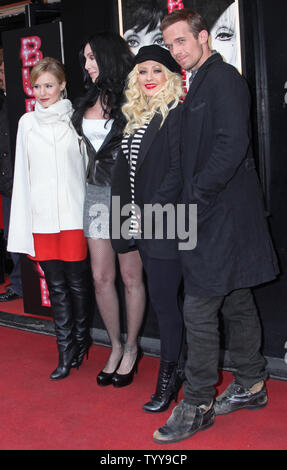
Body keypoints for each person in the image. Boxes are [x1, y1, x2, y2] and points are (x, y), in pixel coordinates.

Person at [151, 8, 279, 443]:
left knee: (199, 307)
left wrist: (194, 198)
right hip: (211, 215)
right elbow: (187, 157)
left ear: (204, 37)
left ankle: (198, 401)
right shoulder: (197, 85)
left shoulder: (224, 81)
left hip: (219, 215)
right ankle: (253, 383)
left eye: (181, 41)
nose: (176, 51)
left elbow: (230, 147)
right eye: (170, 44)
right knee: (237, 298)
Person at [111, 45, 185, 411]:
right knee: (162, 301)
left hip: (169, 221)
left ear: (170, 75)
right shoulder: (134, 115)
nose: (150, 78)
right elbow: (123, 177)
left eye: (157, 70)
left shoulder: (176, 111)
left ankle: (169, 380)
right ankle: (176, 369)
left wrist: (148, 213)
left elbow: (178, 172)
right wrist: (123, 222)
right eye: (143, 71)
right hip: (140, 221)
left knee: (167, 304)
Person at [7, 57, 91, 381]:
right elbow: (22, 177)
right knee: (56, 286)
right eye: (37, 85)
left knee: (78, 285)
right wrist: (24, 224)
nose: (42, 92)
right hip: (42, 218)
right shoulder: (26, 124)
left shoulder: (76, 119)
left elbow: (87, 170)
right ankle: (65, 351)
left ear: (62, 85)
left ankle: (82, 342)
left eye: (49, 85)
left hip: (73, 215)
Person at [72, 33, 146, 388]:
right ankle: (114, 346)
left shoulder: (135, 96)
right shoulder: (87, 98)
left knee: (131, 277)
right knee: (101, 278)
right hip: (93, 195)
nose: (87, 65)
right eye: (85, 59)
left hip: (125, 197)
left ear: (108, 56)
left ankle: (132, 348)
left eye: (91, 57)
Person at [0, 50, 23, 302]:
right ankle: (18, 285)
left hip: (25, 180)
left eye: (6, 71)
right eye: (1, 72)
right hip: (6, 183)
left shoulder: (26, 101)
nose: (3, 76)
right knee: (11, 236)